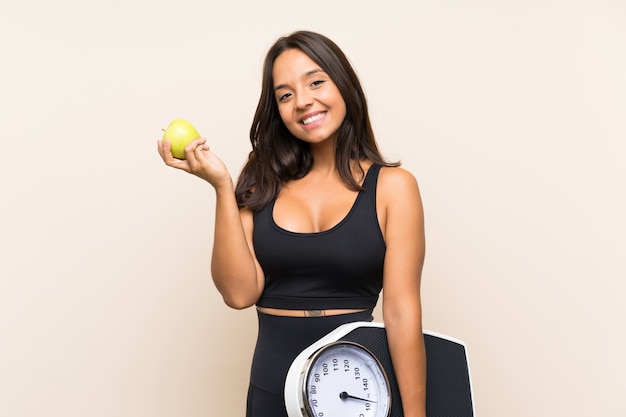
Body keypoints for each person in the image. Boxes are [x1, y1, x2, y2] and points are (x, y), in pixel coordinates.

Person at [157, 30, 426, 417]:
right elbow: (238, 294)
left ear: (344, 85)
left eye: (316, 82)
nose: (303, 102)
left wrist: (415, 415)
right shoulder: (261, 180)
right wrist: (220, 186)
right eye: (285, 95)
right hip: (272, 386)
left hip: (358, 392)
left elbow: (402, 313)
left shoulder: (394, 188)